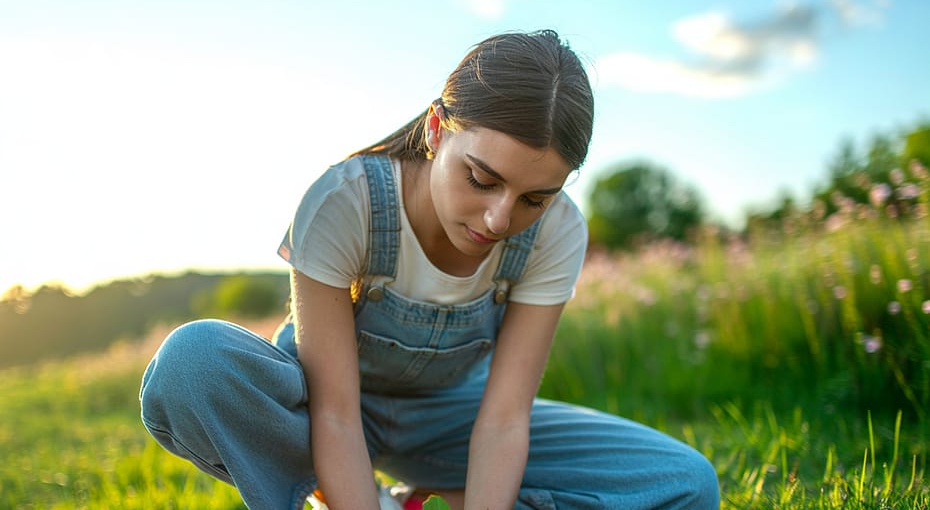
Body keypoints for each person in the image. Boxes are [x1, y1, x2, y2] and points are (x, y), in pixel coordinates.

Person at [139, 30, 720, 510]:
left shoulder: (559, 231)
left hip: (450, 419)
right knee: (193, 363)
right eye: (482, 179)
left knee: (686, 484)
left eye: (534, 198)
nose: (499, 219)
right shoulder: (344, 201)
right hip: (320, 410)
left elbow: (503, 420)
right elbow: (336, 414)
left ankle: (430, 499)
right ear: (438, 129)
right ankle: (333, 496)